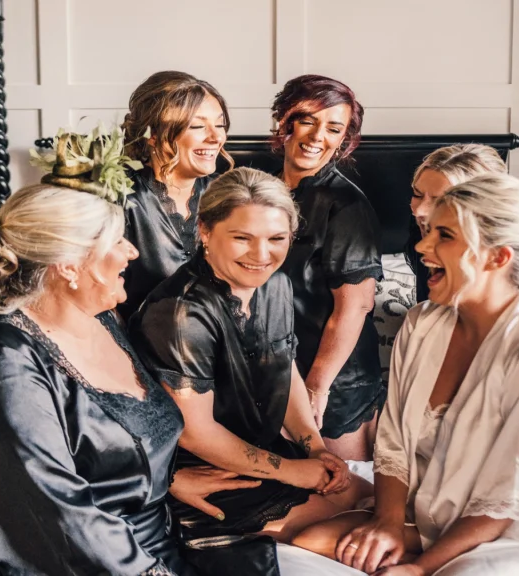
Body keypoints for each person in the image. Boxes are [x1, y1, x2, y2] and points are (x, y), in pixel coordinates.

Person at [0, 136, 256, 576]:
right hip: (28, 556)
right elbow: (50, 509)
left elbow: (115, 439)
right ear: (70, 265)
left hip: (141, 533)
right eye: (117, 241)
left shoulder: (103, 321)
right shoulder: (3, 362)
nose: (132, 252)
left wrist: (164, 480)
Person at [294, 173, 519, 576]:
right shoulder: (422, 324)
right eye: (428, 231)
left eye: (444, 236)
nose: (422, 247)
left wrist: (421, 568)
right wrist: (388, 523)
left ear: (497, 257)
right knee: (308, 543)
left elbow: (511, 501)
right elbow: (394, 442)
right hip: (438, 508)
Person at [130, 167, 371, 553]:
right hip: (207, 474)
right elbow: (196, 432)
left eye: (277, 238)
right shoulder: (180, 313)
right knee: (347, 536)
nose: (262, 256)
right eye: (242, 238)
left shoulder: (276, 284)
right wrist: (294, 472)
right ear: (205, 231)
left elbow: (284, 366)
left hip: (267, 450)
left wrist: (313, 447)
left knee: (381, 506)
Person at [272, 74, 385, 461]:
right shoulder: (264, 193)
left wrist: (316, 389)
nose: (317, 136)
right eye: (308, 120)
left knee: (346, 495)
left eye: (333, 128)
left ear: (343, 140)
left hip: (334, 381)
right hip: (277, 376)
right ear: (283, 120)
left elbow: (354, 307)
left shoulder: (346, 206)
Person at [116, 70, 234, 320]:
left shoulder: (229, 196)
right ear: (153, 135)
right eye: (198, 126)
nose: (216, 137)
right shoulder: (121, 199)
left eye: (220, 124)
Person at [407, 144, 507, 303]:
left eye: (439, 201)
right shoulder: (420, 234)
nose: (419, 211)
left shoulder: (510, 269)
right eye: (417, 195)